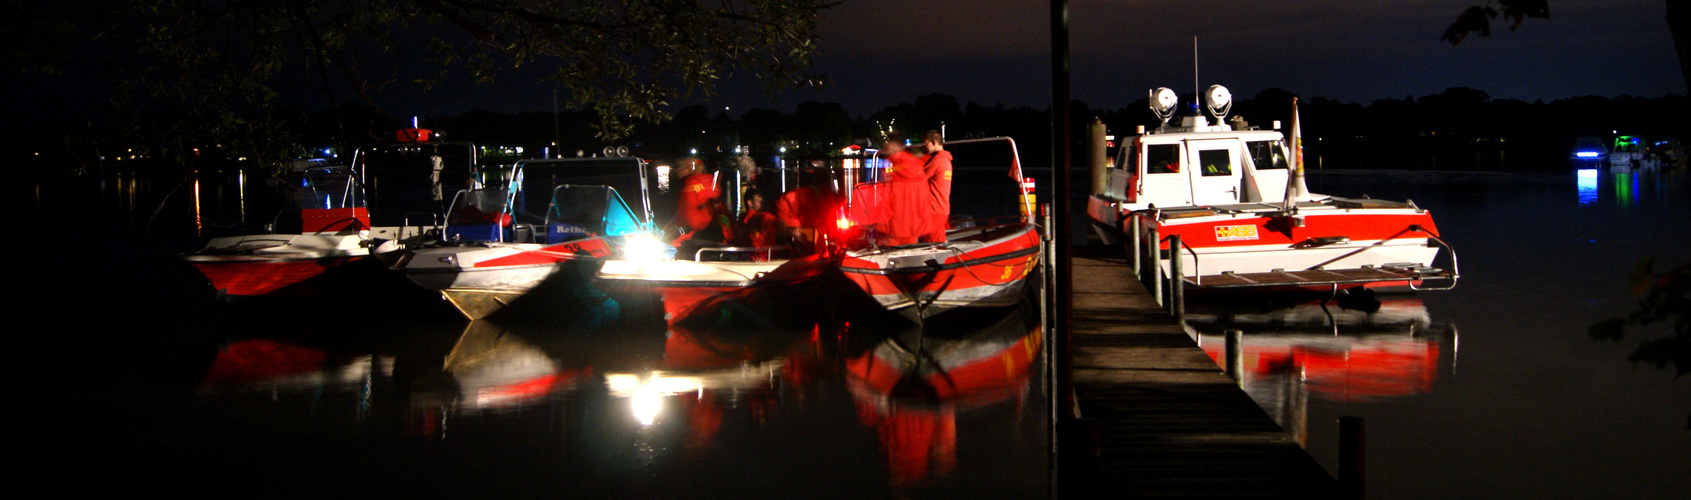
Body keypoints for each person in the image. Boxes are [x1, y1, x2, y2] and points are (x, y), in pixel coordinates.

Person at [879, 133, 929, 246]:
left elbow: (897, 196)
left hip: (900, 226)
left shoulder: (902, 165)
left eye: (888, 144)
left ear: (894, 145)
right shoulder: (906, 163)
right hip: (907, 225)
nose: (886, 146)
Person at [919, 130, 953, 243]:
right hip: (941, 209)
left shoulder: (937, 160)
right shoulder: (946, 159)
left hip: (933, 210)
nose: (923, 147)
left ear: (933, 142)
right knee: (937, 240)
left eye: (925, 144)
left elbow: (918, 178)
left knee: (933, 246)